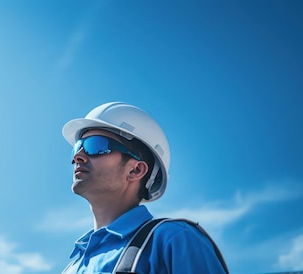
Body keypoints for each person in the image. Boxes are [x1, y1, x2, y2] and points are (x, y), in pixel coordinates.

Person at [61, 102, 228, 274]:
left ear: (136, 170)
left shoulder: (173, 240)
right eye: (77, 147)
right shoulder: (72, 267)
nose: (78, 157)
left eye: (95, 145)